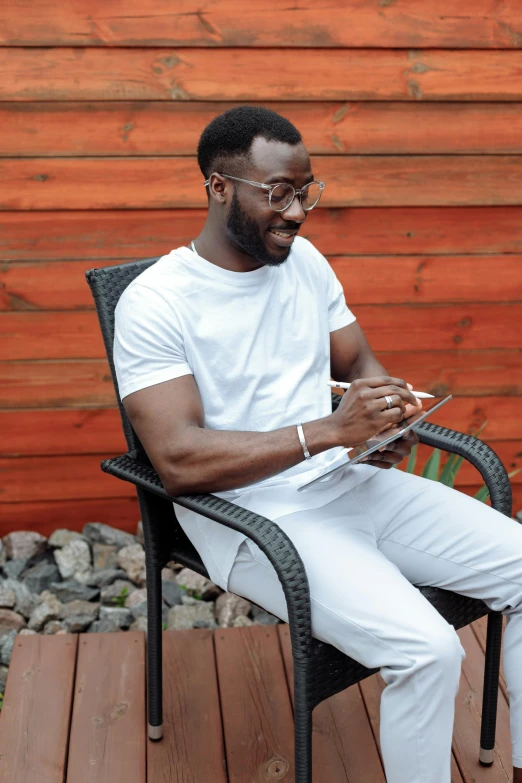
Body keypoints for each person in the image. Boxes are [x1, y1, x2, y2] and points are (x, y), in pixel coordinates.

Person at [113, 106, 522, 783]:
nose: (298, 210)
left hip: (350, 480)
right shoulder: (157, 302)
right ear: (219, 187)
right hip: (254, 517)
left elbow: (360, 361)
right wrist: (331, 430)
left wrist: (386, 420)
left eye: (307, 190)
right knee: (427, 651)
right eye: (278, 192)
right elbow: (179, 460)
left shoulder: (305, 264)